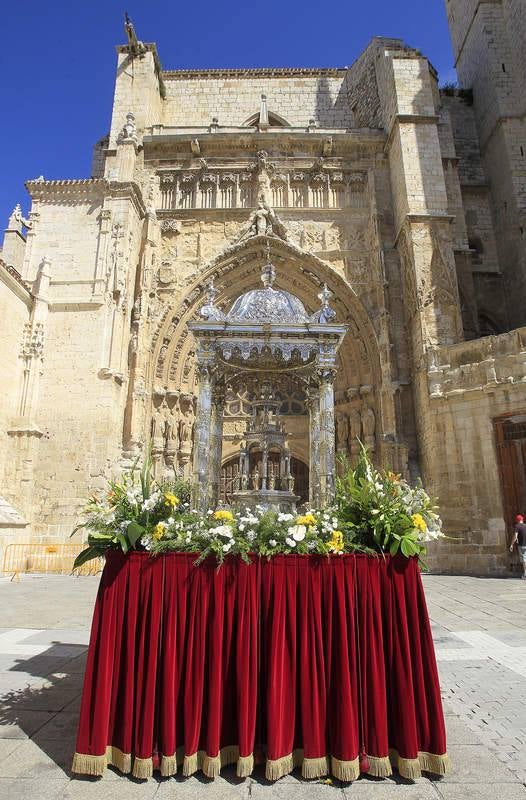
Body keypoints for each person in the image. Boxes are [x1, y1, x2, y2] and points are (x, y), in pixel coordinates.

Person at [509, 514, 526, 579]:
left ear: (517, 520)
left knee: (524, 559)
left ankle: (525, 574)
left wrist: (511, 544)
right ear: (522, 520)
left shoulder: (517, 526)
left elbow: (515, 536)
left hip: (522, 545)